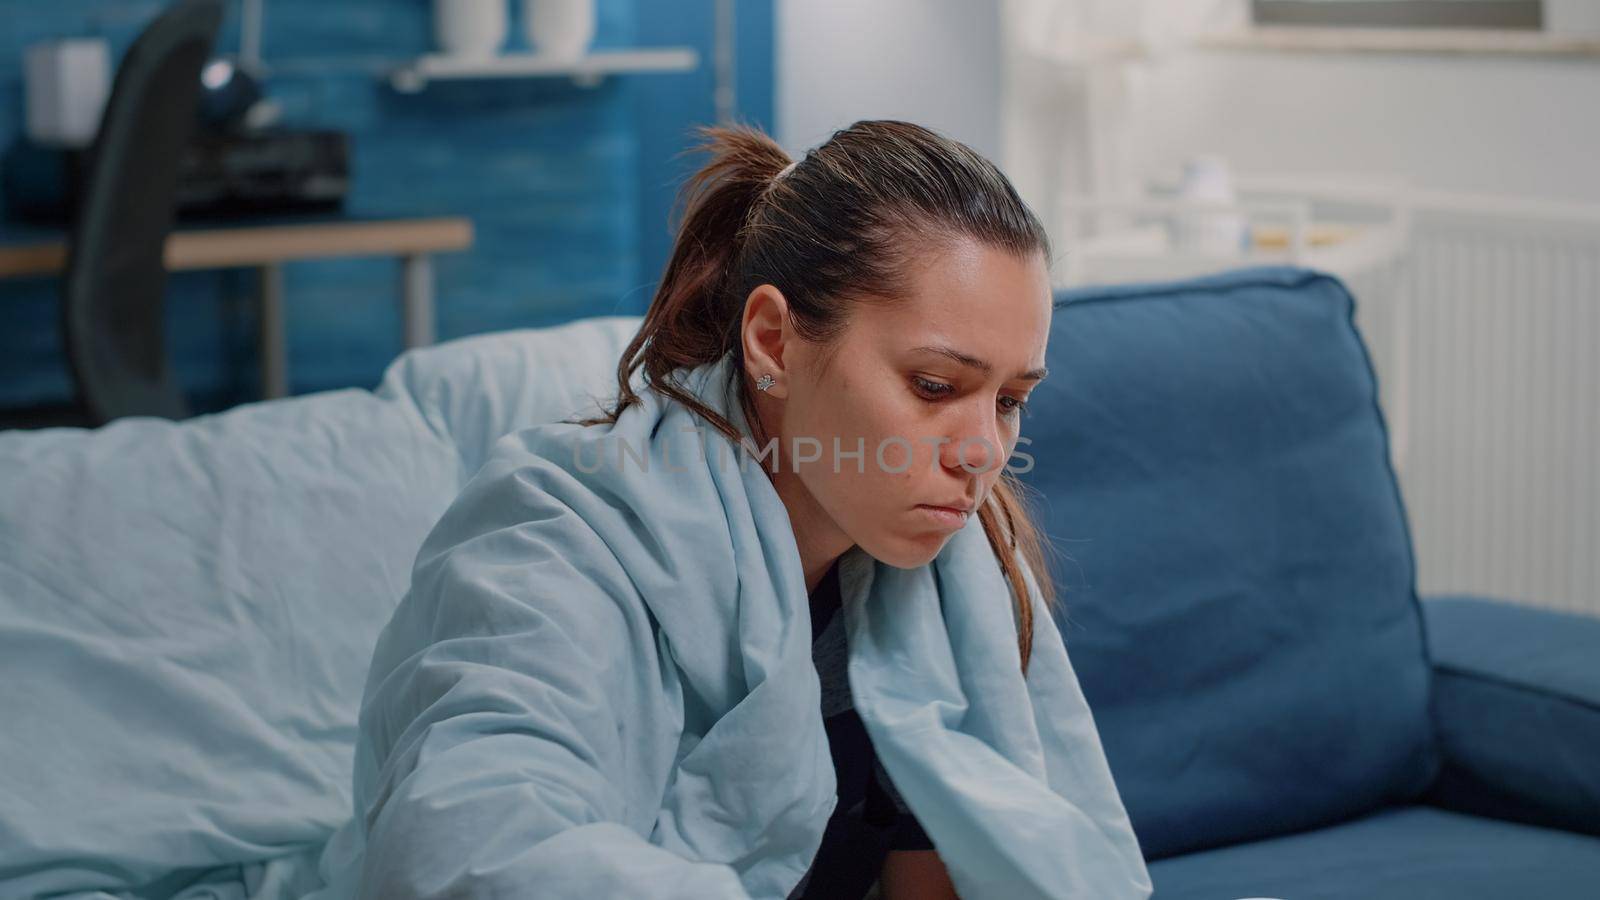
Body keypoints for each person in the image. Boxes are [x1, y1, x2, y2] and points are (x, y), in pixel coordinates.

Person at [327, 119, 1153, 900]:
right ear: (771, 341)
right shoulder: (552, 544)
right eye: (934, 386)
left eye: (1009, 401)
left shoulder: (955, 590)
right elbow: (466, 852)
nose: (980, 450)